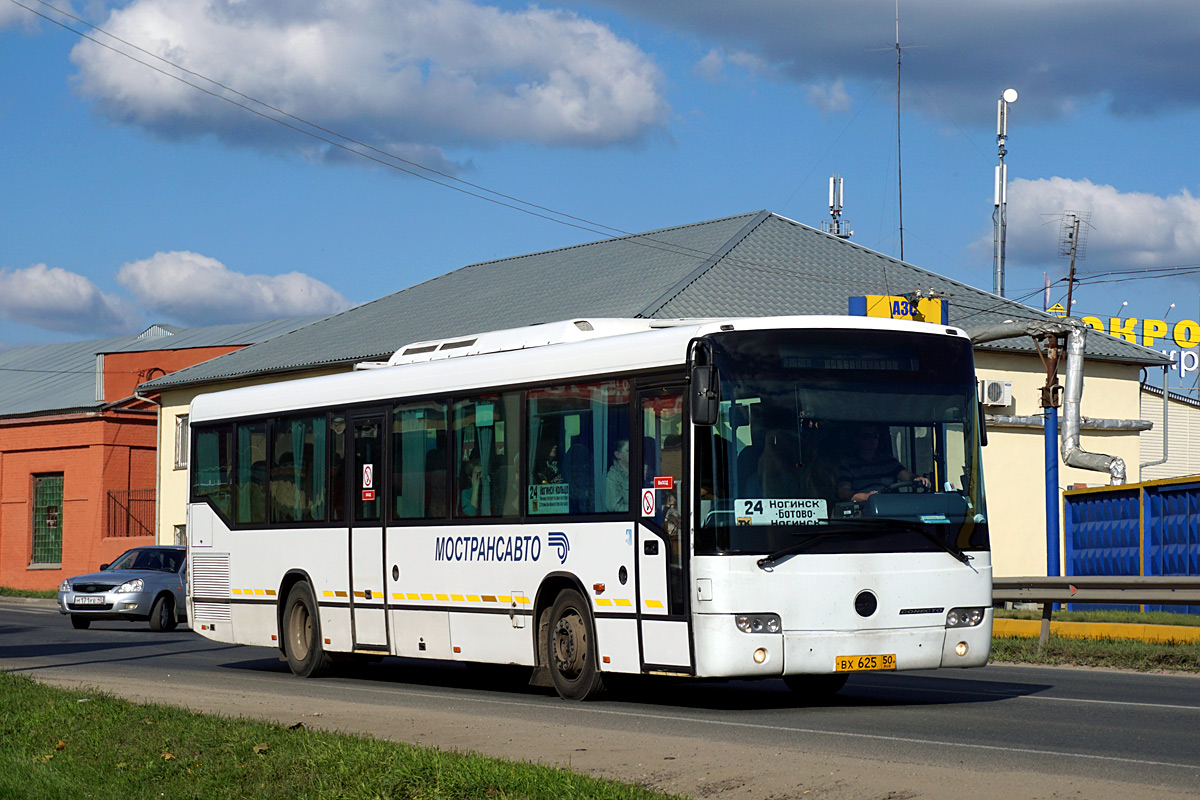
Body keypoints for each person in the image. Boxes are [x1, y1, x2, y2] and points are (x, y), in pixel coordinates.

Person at [837, 425, 930, 502]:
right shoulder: (848, 464)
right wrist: (867, 497)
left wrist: (917, 479)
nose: (872, 440)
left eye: (875, 436)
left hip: (891, 506)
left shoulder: (888, 461)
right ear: (856, 440)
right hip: (864, 511)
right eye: (866, 436)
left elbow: (907, 476)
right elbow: (843, 492)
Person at [605, 438, 629, 512]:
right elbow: (615, 507)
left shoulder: (643, 471)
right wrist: (640, 509)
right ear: (618, 454)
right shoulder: (613, 476)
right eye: (628, 451)